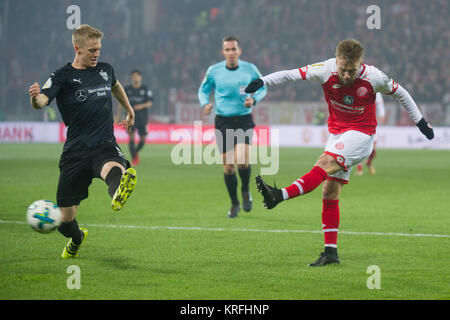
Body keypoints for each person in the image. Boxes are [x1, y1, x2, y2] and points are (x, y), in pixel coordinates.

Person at [245, 39, 434, 266]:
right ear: (337, 62)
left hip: (362, 135)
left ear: (360, 64)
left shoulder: (373, 76)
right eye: (343, 70)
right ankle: (331, 253)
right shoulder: (326, 69)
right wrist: (262, 81)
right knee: (330, 192)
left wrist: (421, 123)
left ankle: (279, 195)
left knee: (324, 163)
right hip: (337, 134)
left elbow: (401, 92)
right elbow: (291, 74)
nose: (346, 75)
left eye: (351, 71)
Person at [28, 24, 138, 259]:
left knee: (114, 167)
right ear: (77, 49)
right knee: (65, 219)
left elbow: (116, 86)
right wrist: (35, 98)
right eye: (91, 50)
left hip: (104, 143)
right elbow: (42, 101)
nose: (96, 54)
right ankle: (77, 238)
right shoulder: (63, 76)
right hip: (75, 151)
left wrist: (129, 111)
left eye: (98, 49)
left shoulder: (106, 70)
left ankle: (119, 189)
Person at [198, 35, 267, 218]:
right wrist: (205, 103)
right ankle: (234, 203)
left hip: (243, 120)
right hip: (223, 121)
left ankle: (245, 191)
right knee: (228, 167)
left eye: (233, 49)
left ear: (239, 51)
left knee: (243, 161)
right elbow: (203, 89)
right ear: (223, 52)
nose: (230, 52)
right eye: (227, 49)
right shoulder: (214, 71)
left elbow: (262, 86)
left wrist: (253, 99)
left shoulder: (250, 69)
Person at [115, 70, 153, 166]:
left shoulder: (145, 89)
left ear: (140, 77)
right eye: (134, 76)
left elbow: (149, 102)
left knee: (143, 140)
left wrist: (141, 106)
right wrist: (117, 116)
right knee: (131, 138)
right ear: (131, 78)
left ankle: (135, 153)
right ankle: (134, 158)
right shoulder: (127, 89)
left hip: (142, 118)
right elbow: (121, 103)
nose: (135, 78)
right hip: (130, 117)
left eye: (137, 76)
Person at [355, 92, 385, 175]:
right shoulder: (360, 89)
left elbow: (380, 105)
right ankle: (359, 169)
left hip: (372, 123)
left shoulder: (377, 92)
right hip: (360, 122)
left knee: (374, 151)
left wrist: (382, 115)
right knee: (360, 147)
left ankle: (369, 163)